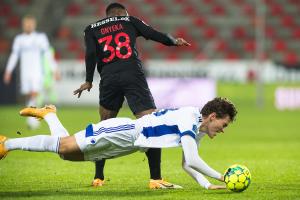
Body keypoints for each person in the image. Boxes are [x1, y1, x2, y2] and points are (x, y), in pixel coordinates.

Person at [0, 97, 237, 190]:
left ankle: (49, 114)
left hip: (131, 145)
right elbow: (194, 160)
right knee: (63, 147)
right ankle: (6, 144)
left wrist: (207, 185)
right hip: (125, 131)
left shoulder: (199, 128)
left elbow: (188, 164)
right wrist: (223, 177)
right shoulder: (189, 117)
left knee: (65, 152)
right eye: (224, 125)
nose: (223, 130)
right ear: (213, 116)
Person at [73, 3, 191, 188]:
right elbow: (152, 33)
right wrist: (173, 41)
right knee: (151, 123)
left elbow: (90, 54)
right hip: (132, 74)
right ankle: (155, 179)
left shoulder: (92, 29)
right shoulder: (129, 20)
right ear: (122, 13)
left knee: (103, 126)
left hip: (109, 78)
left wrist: (89, 80)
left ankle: (98, 177)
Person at [3, 15, 57, 129]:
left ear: (34, 25)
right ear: (23, 25)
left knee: (34, 93)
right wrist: (8, 71)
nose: (28, 26)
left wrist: (54, 69)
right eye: (26, 24)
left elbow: (48, 54)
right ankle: (33, 117)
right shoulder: (19, 39)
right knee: (29, 95)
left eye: (30, 23)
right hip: (25, 72)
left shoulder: (40, 38)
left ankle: (31, 119)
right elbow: (14, 55)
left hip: (37, 71)